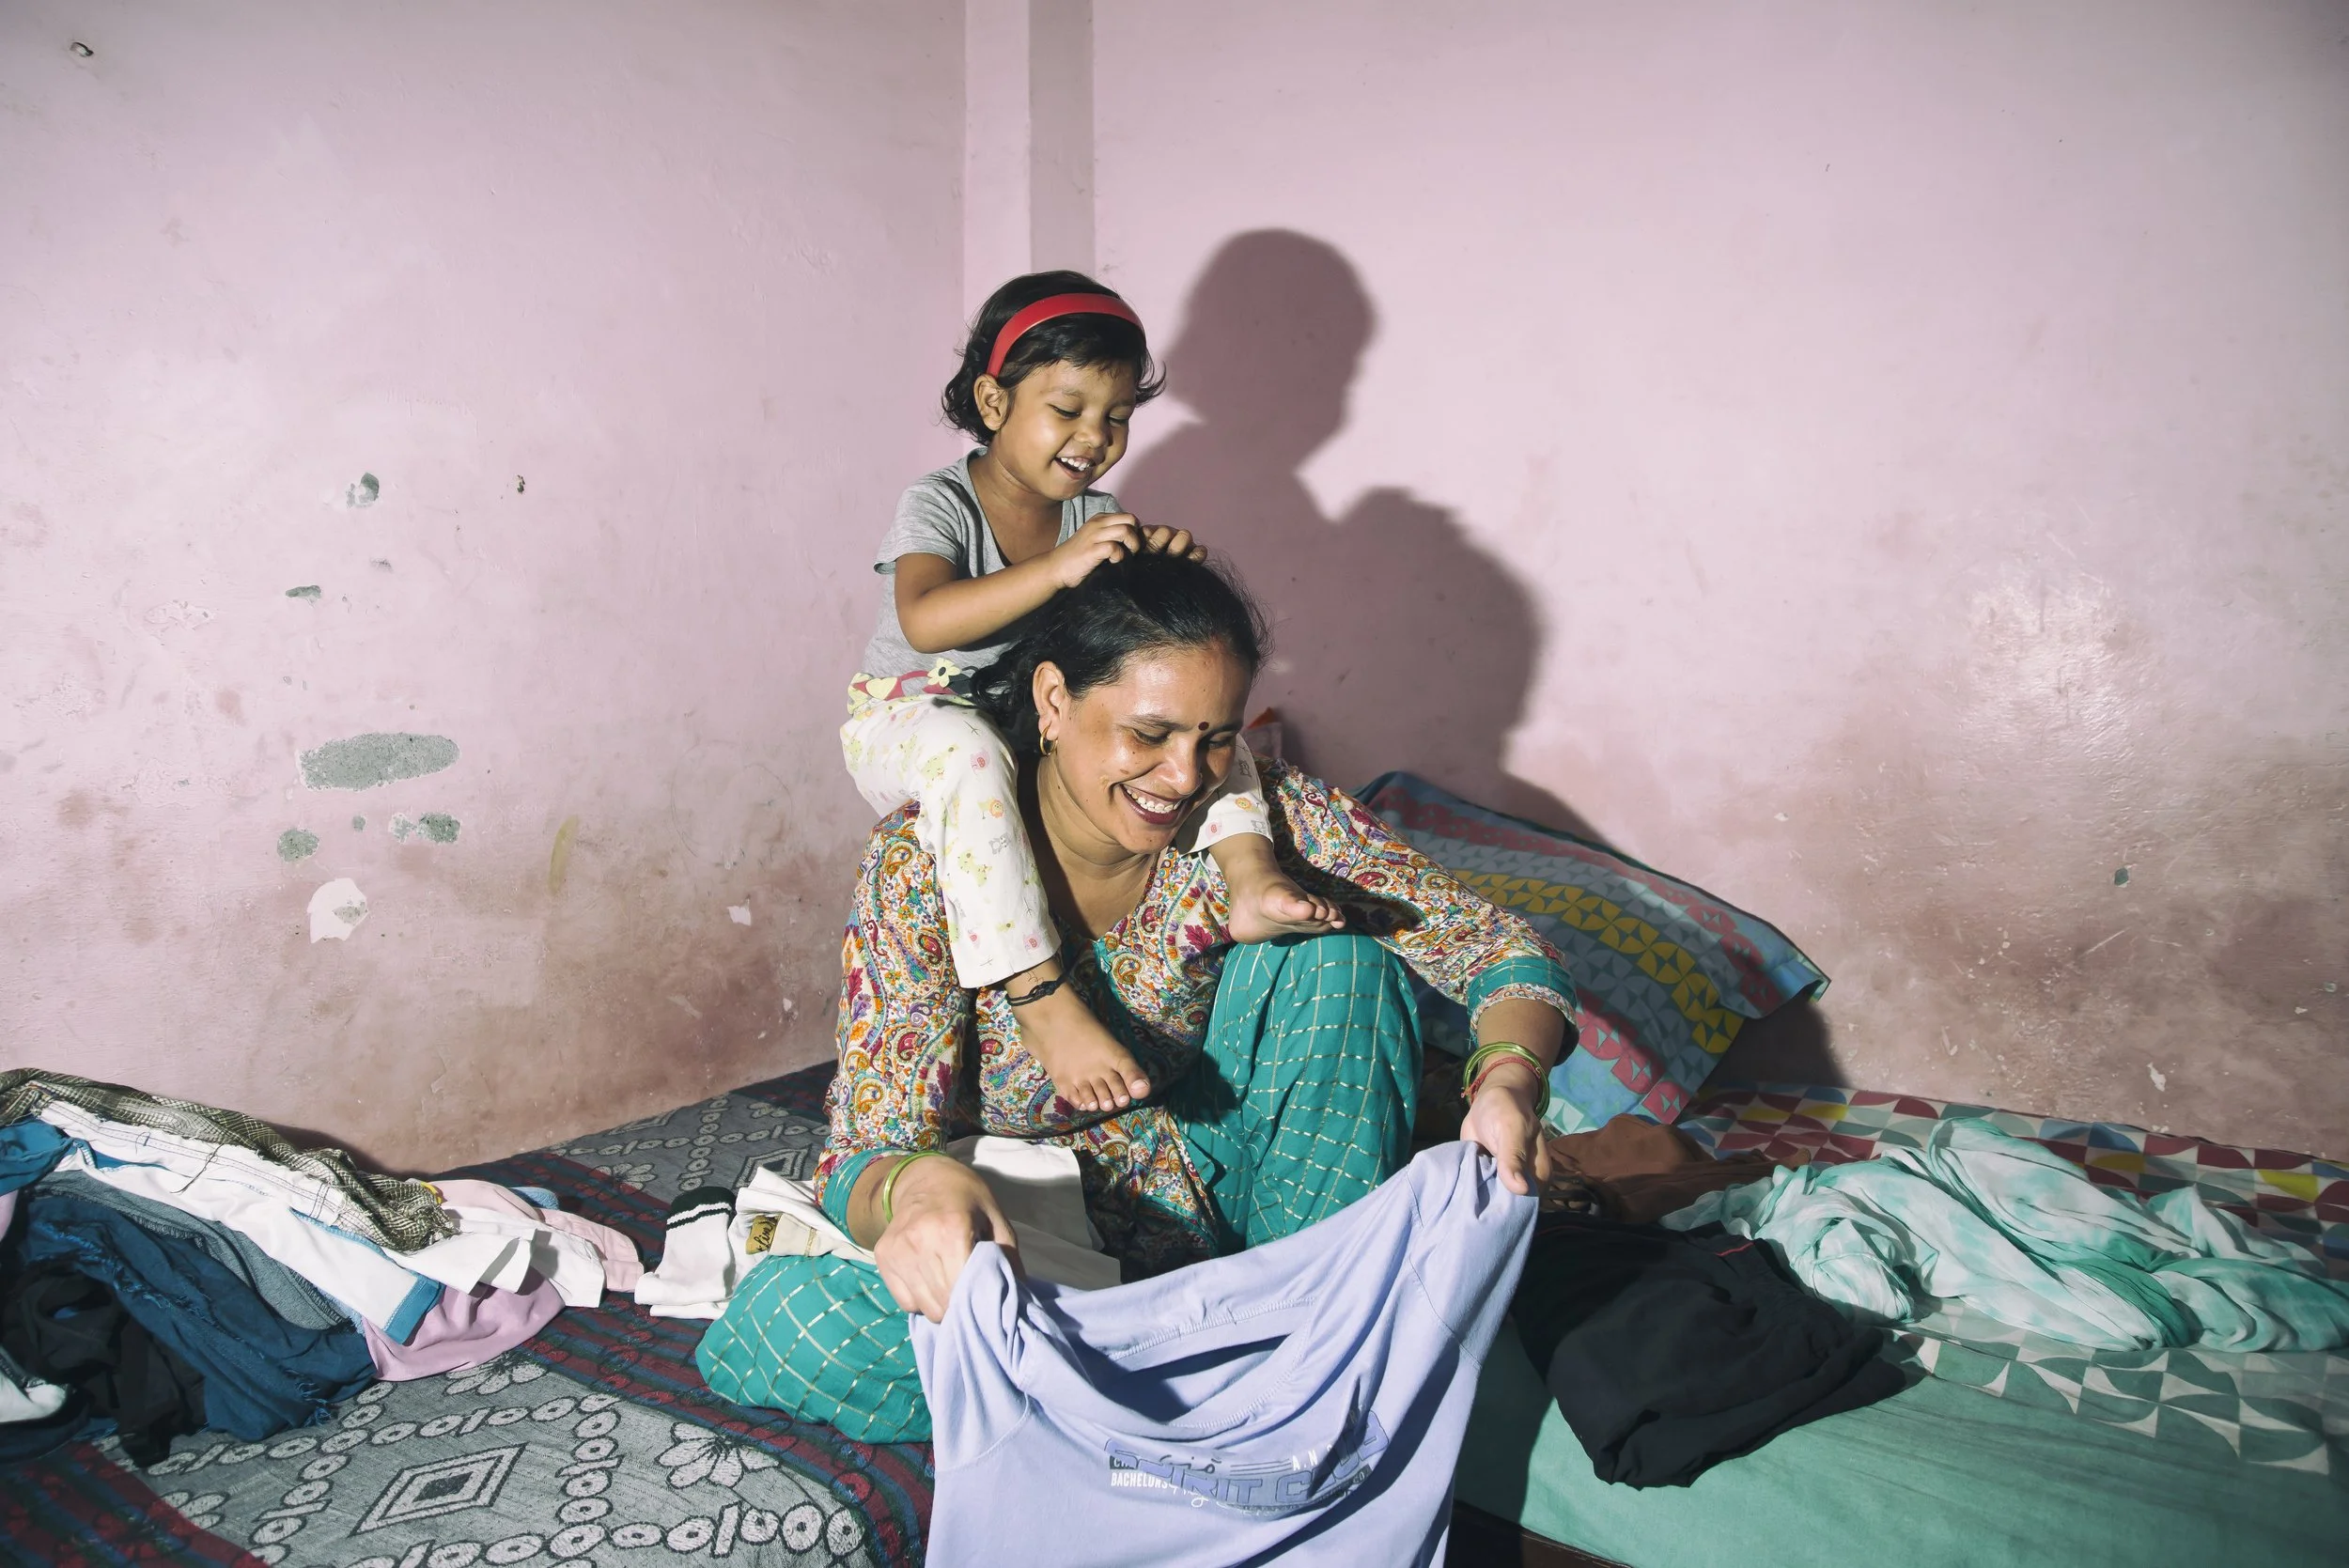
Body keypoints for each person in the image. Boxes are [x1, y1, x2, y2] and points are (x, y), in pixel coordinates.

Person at [703, 552, 1577, 1441]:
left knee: (1342, 960)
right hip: (1031, 1242)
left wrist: (1508, 1080)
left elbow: (1499, 947)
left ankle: (1292, 1343)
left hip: (1244, 1213)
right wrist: (917, 1189)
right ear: (1052, 702)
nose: (1185, 775)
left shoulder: (1261, 820)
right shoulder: (926, 864)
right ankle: (1227, 1376)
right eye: (1148, 734)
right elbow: (871, 1143)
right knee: (798, 1325)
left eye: (1216, 736)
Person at [842, 270, 1343, 1117]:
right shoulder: (941, 501)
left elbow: (1126, 641)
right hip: (912, 715)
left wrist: (1157, 569)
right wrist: (1060, 568)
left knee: (1201, 715)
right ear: (994, 403)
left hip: (1017, 714)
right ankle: (1037, 994)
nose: (1095, 437)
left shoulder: (1096, 510)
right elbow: (926, 619)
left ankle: (1250, 872)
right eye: (1067, 410)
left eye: (1115, 417)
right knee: (969, 755)